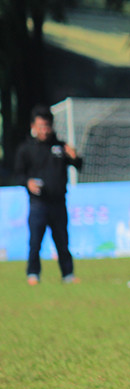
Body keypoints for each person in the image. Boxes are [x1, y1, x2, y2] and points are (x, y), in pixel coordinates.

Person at [14, 104, 83, 285]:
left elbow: (79, 165)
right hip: (38, 204)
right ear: (33, 127)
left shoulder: (60, 147)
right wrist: (28, 183)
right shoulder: (26, 149)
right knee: (35, 241)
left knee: (62, 241)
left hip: (59, 202)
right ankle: (33, 274)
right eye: (41, 126)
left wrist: (75, 157)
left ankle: (68, 275)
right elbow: (19, 174)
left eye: (47, 126)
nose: (44, 130)